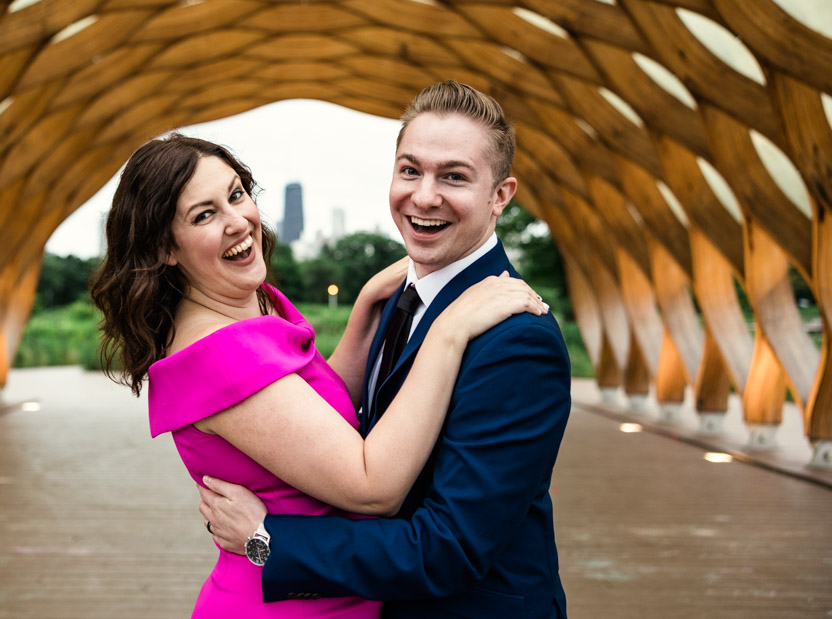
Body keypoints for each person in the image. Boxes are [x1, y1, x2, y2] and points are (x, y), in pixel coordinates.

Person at [88, 132, 549, 618]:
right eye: (204, 215)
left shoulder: (250, 302)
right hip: (287, 605)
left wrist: (365, 308)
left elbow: (316, 411)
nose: (236, 221)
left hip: (324, 589)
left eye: (236, 195)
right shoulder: (218, 353)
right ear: (165, 248)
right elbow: (372, 486)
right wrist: (447, 333)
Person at [199, 81, 572, 618]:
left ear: (501, 196)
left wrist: (265, 540)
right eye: (410, 169)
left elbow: (450, 549)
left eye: (455, 177)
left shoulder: (517, 341)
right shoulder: (400, 295)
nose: (424, 196)